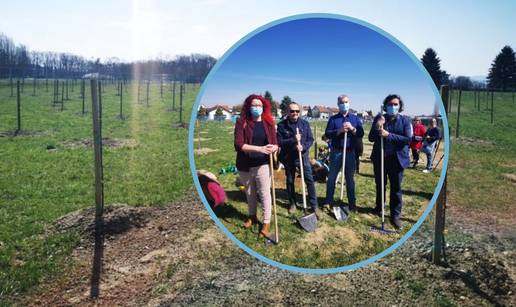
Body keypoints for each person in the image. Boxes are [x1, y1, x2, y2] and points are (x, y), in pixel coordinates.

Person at [234, 94, 278, 237]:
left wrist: (275, 148)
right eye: (254, 105)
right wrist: (259, 148)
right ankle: (252, 216)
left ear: (264, 107)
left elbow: (276, 143)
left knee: (265, 193)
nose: (257, 108)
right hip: (245, 165)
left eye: (259, 105)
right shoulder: (242, 122)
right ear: (248, 106)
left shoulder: (269, 123)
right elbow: (239, 144)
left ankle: (266, 222)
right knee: (250, 193)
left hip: (263, 164)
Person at [368, 94, 412, 229]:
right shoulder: (379, 119)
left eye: (395, 104)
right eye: (390, 104)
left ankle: (395, 215)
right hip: (380, 158)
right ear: (385, 106)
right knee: (380, 184)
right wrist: (377, 126)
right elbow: (371, 138)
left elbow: (407, 139)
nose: (393, 107)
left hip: (397, 159)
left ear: (400, 106)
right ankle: (379, 207)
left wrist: (389, 135)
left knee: (396, 188)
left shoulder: (405, 121)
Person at [277, 102, 322, 219]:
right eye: (292, 111)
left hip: (303, 157)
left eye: (297, 111)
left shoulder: (305, 124)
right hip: (289, 158)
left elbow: (310, 139)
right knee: (290, 181)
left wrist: (304, 147)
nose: (295, 113)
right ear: (287, 112)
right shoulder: (282, 125)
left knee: (309, 180)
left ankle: (314, 205)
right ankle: (292, 203)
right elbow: (279, 142)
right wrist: (293, 139)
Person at [324, 94, 364, 211]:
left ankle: (352, 203)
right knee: (332, 178)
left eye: (346, 102)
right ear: (338, 104)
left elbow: (361, 133)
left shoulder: (355, 119)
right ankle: (328, 201)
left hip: (350, 153)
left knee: (350, 179)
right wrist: (339, 131)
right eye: (341, 102)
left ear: (349, 103)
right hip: (336, 152)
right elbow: (327, 133)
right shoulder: (333, 119)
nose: (344, 104)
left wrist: (352, 128)